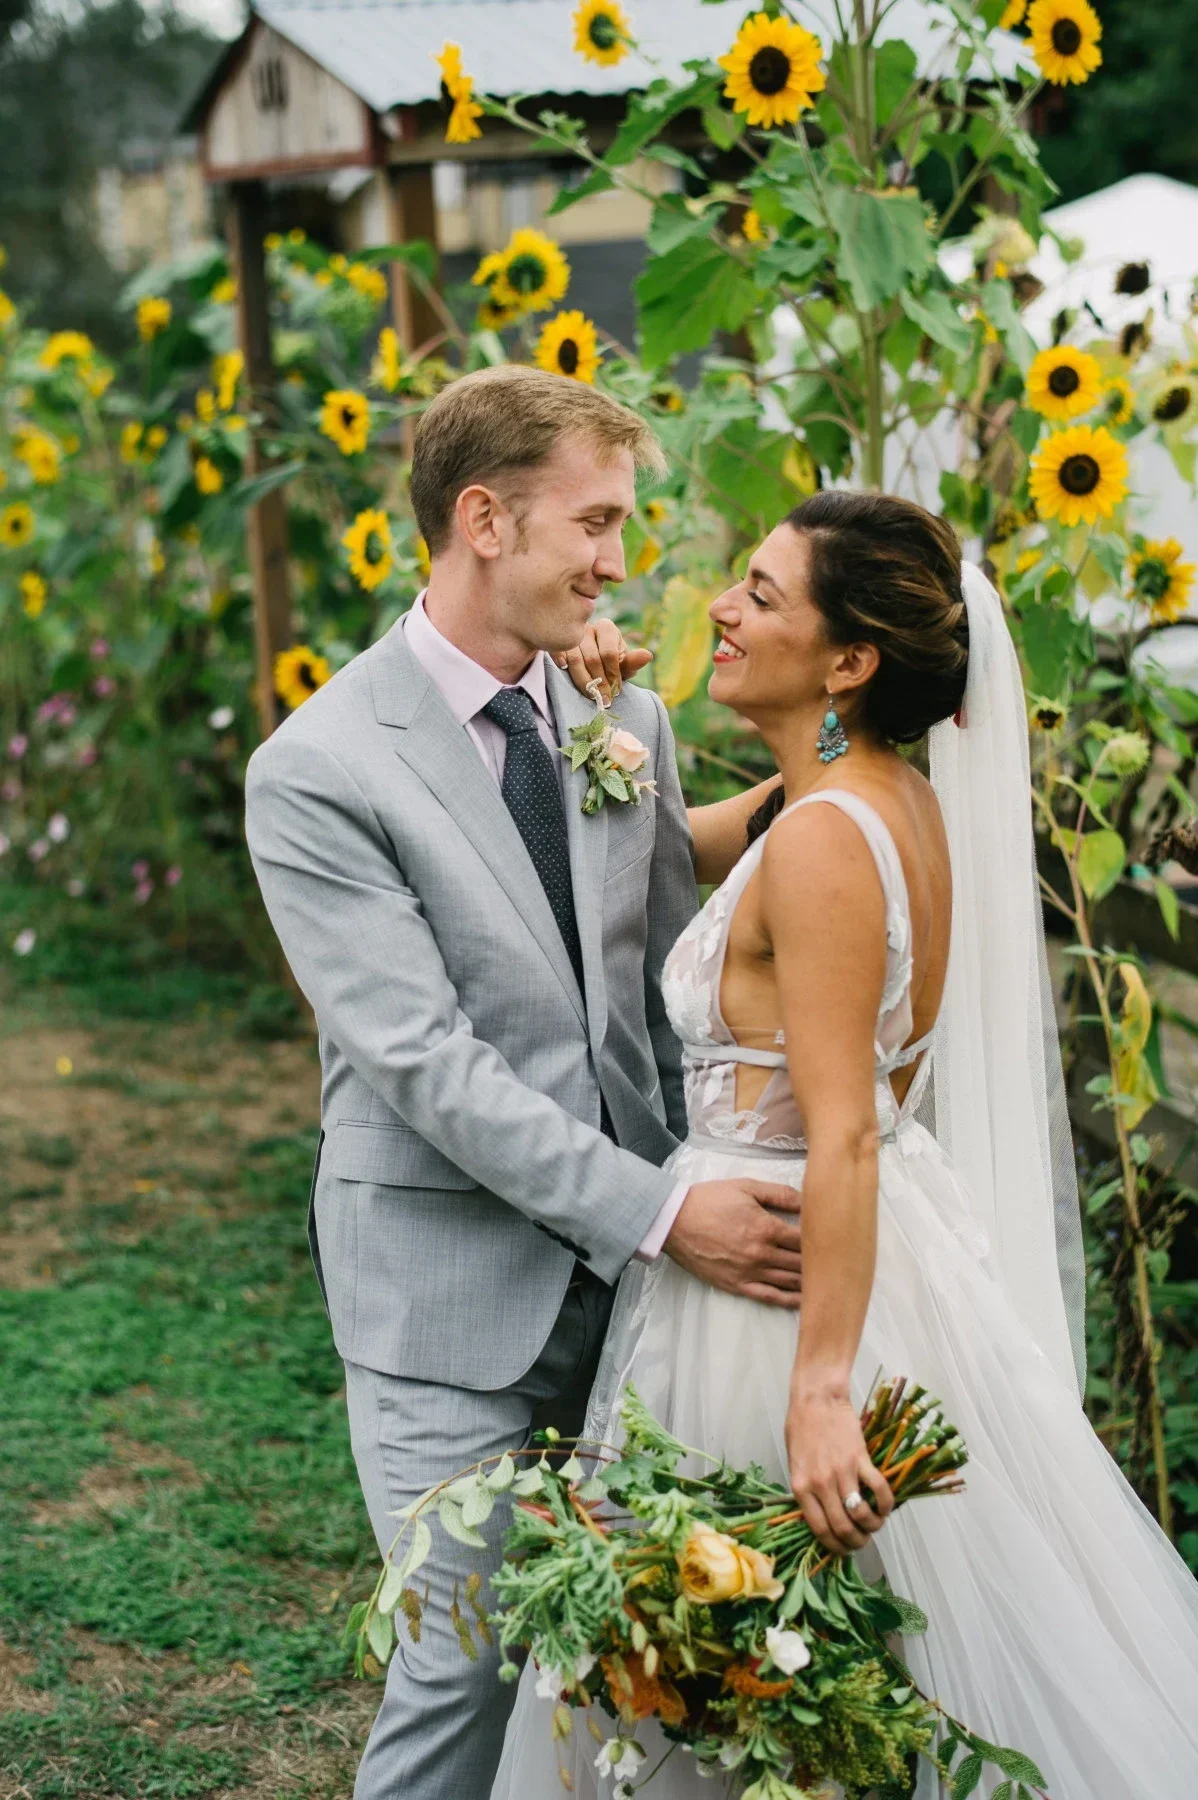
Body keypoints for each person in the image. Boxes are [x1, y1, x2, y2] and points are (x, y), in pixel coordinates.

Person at [492, 492, 1198, 1799]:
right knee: (788, 1668)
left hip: (774, 1279)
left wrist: (817, 1393)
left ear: (849, 662)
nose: (718, 607)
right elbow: (642, 861)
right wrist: (586, 715)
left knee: (742, 1670)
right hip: (859, 1250)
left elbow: (845, 1136)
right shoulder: (852, 797)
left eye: (760, 595)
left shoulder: (822, 839)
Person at [243, 366, 807, 1800]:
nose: (622, 562)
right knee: (462, 1662)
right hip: (450, 1293)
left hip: (633, 1303)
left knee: (620, 1662)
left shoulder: (612, 714)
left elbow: (636, 897)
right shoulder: (317, 772)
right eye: (597, 523)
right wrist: (664, 1209)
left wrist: (843, 773)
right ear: (483, 520)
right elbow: (426, 1063)